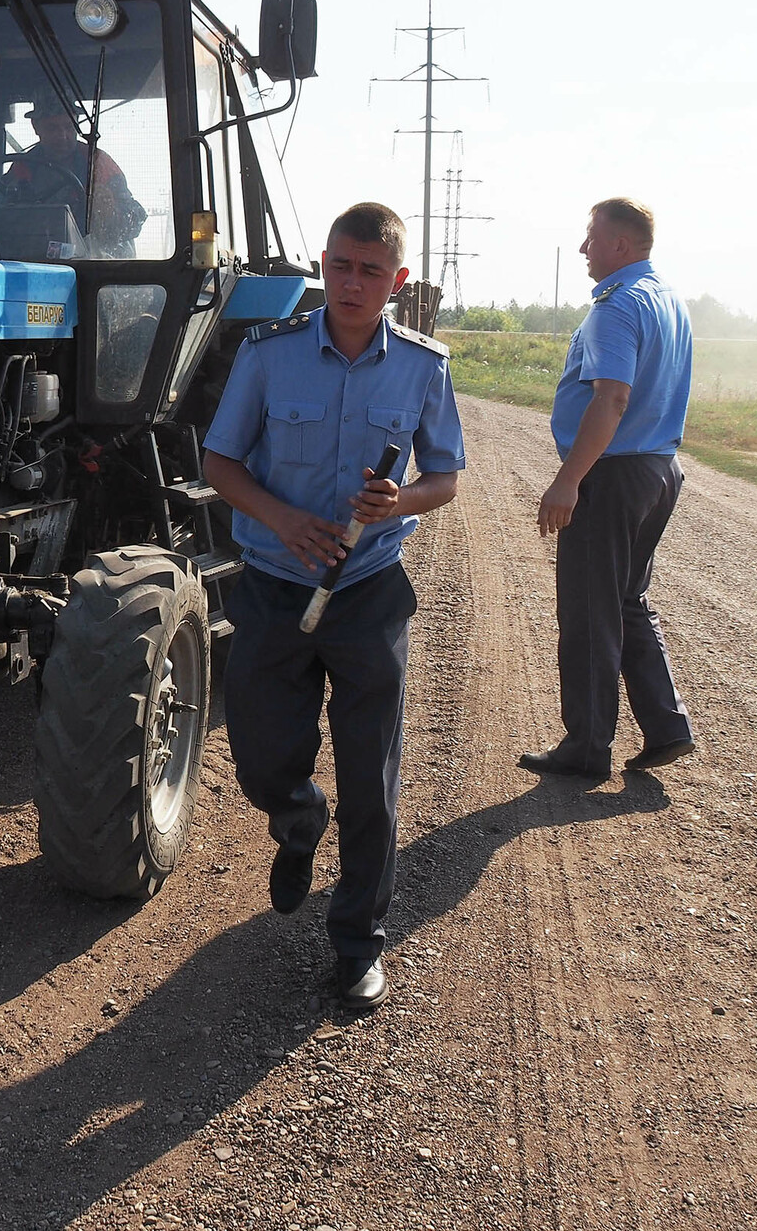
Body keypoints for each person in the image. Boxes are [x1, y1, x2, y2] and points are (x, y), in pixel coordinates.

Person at [202, 202, 465, 1011]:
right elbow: (220, 459)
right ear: (323, 263)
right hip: (277, 583)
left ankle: (357, 948)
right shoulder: (270, 354)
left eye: (372, 272)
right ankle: (295, 814)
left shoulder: (423, 365)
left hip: (368, 594)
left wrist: (402, 501)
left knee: (371, 778)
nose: (353, 284)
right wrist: (281, 518)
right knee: (258, 755)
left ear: (399, 280)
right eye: (342, 266)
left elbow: (445, 478)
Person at [520, 197, 695, 780]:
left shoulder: (616, 309)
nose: (583, 248)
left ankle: (587, 747)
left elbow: (611, 397)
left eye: (591, 236)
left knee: (591, 609)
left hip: (612, 474)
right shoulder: (668, 299)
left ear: (620, 244)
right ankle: (666, 726)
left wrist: (568, 479)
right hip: (659, 467)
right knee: (625, 599)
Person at [2, 93, 146, 254]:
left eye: (69, 127)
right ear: (36, 126)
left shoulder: (98, 163)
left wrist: (111, 212)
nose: (62, 136)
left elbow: (135, 217)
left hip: (96, 264)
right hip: (41, 258)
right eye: (52, 128)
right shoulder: (23, 166)